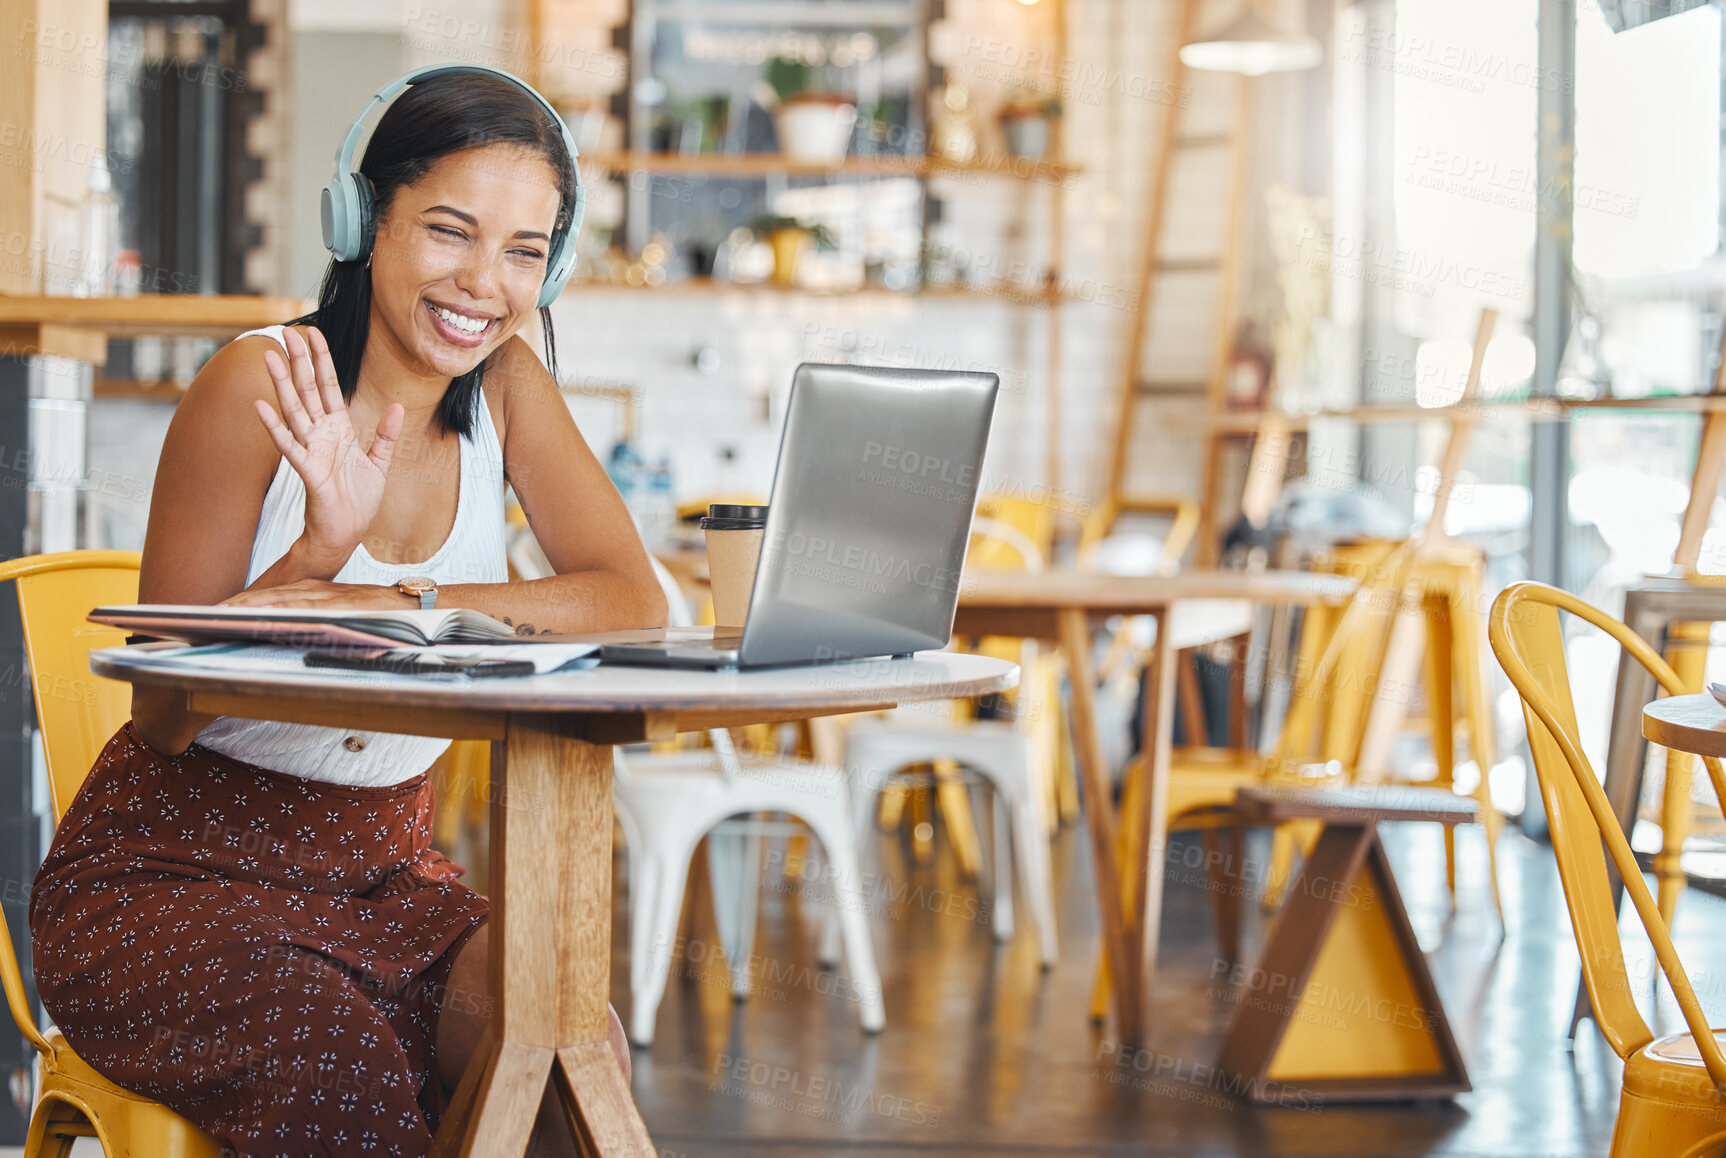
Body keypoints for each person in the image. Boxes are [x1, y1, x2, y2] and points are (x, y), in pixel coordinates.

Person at [29, 68, 665, 1158]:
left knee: (573, 1043)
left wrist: (393, 597)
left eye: (524, 250)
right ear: (363, 221)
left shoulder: (509, 387)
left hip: (383, 880)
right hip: (172, 884)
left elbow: (629, 597)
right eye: (450, 231)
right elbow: (163, 718)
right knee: (341, 1066)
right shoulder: (256, 387)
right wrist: (318, 552)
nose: (484, 282)